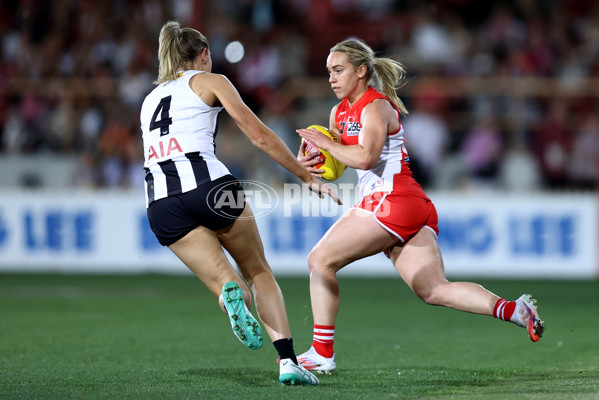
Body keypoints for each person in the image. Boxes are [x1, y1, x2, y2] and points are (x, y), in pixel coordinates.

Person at [295, 39, 545, 374]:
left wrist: (326, 142)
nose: (331, 78)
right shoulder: (338, 113)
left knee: (319, 260)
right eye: (329, 72)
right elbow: (339, 164)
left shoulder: (377, 107)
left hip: (391, 200)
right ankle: (515, 310)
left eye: (338, 70)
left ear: (361, 71)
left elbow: (367, 158)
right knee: (434, 289)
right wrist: (312, 162)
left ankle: (322, 353)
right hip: (410, 204)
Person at [141, 21, 340, 386]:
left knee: (228, 282)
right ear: (204, 55)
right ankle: (287, 362)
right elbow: (259, 136)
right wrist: (306, 176)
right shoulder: (212, 81)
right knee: (259, 271)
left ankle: (231, 294)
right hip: (210, 188)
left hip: (162, 204)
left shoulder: (149, 99)